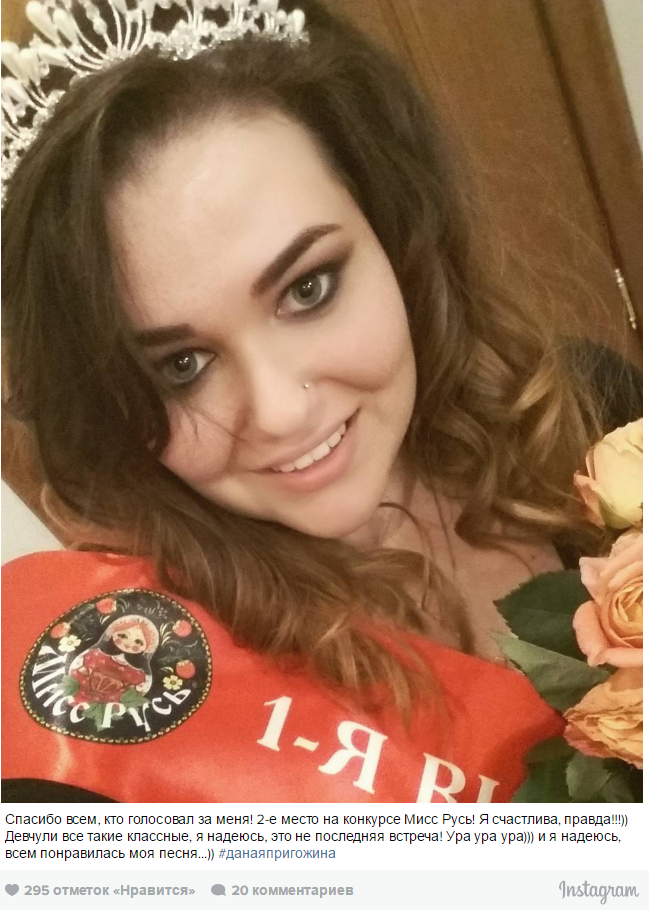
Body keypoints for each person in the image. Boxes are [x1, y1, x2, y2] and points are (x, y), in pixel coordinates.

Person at [1, 0, 640, 802]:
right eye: (180, 366)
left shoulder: (589, 416)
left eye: (307, 288)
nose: (278, 412)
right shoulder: (135, 681)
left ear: (391, 227)